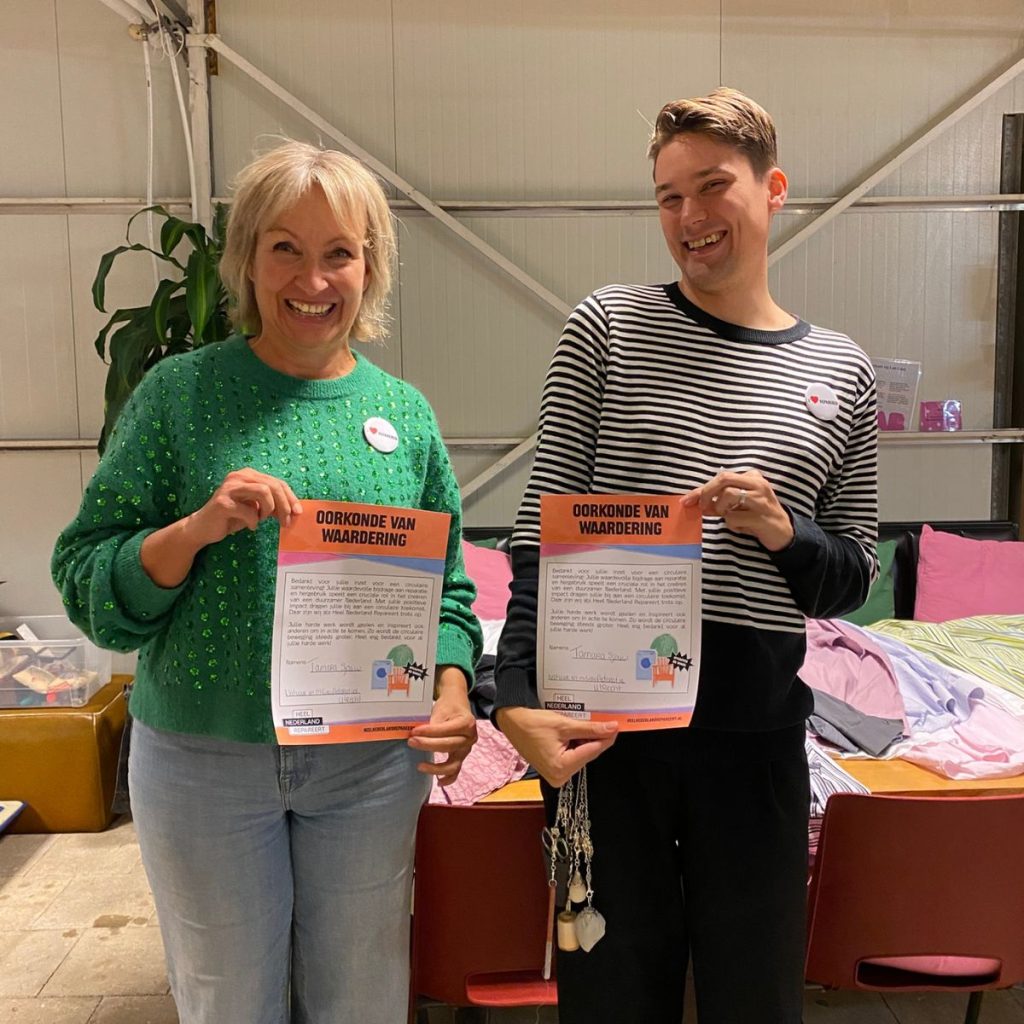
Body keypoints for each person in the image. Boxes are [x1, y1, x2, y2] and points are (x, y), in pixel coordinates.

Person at [52, 141, 482, 1024]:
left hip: (369, 766)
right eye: (285, 247)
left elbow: (449, 591)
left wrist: (450, 688)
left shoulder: (403, 416)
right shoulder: (179, 396)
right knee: (228, 1001)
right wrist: (196, 529)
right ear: (246, 258)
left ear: (370, 267)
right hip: (205, 763)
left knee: (361, 998)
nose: (312, 279)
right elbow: (86, 570)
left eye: (339, 253)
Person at [494, 88, 878, 1023]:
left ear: (773, 188)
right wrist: (513, 700)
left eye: (712, 186)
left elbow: (852, 577)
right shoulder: (607, 326)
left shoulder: (842, 372)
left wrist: (785, 531)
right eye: (669, 196)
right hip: (604, 732)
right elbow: (539, 528)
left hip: (754, 738)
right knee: (611, 994)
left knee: (756, 996)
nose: (689, 216)